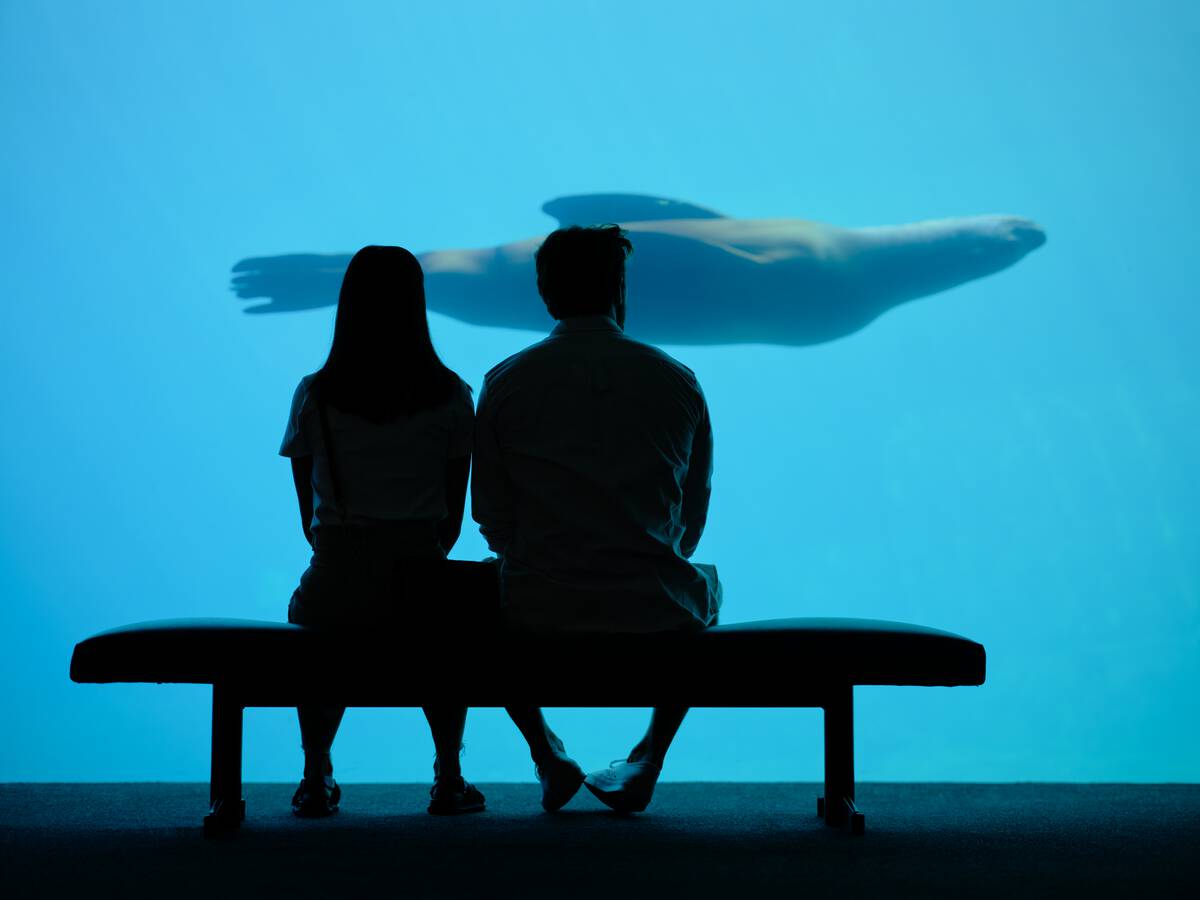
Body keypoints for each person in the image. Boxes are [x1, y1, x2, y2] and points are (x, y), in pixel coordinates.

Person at [472, 225, 722, 813]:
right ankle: (647, 759)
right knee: (702, 584)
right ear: (619, 291)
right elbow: (692, 514)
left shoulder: (506, 380)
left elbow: (489, 513)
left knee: (480, 595)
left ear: (546, 295)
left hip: (538, 606)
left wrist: (541, 558)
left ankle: (546, 753)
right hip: (653, 608)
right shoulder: (676, 379)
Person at [279, 245, 494, 818]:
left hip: (337, 576)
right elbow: (454, 516)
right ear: (417, 308)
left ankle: (315, 774)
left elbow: (309, 516)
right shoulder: (452, 395)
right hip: (421, 575)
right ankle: (449, 776)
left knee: (318, 622)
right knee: (447, 624)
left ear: (346, 308)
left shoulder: (314, 395)